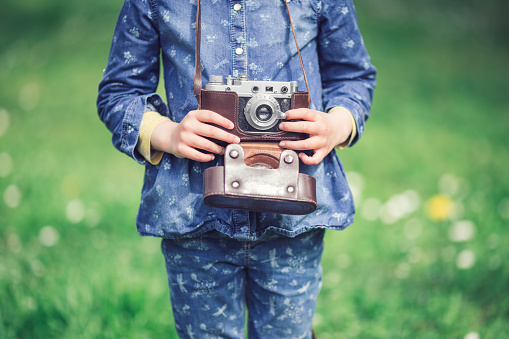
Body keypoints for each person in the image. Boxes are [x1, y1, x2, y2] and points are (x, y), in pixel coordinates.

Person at [97, 0, 376, 338]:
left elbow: (353, 76)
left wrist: (336, 125)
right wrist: (169, 134)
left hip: (293, 218)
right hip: (195, 216)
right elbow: (119, 91)